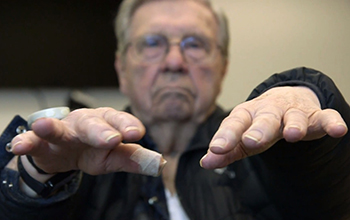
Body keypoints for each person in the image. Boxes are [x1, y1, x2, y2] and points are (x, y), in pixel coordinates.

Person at [1, 0, 349, 219]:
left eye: (194, 43)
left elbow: (329, 187)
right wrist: (36, 175)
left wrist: (310, 90)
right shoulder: (78, 159)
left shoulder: (267, 154)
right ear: (122, 68)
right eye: (152, 43)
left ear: (223, 65)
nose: (174, 61)